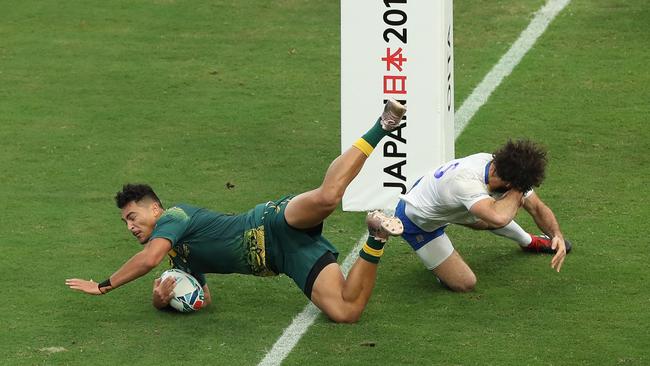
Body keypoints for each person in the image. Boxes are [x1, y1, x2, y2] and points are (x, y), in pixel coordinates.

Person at [66, 99, 406, 323]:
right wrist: (162, 299)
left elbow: (148, 260)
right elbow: (202, 297)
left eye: (132, 217)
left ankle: (383, 124)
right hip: (285, 258)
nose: (129, 226)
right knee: (346, 311)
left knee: (327, 198)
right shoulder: (178, 258)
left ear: (155, 209)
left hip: (271, 222)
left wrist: (105, 286)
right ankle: (376, 235)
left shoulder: (175, 218)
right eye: (125, 221)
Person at [394, 139, 572, 292]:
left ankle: (530, 242)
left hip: (442, 199)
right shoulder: (467, 182)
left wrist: (557, 235)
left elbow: (538, 208)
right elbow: (499, 217)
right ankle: (442, 272)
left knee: (484, 219)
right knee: (465, 283)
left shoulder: (502, 166)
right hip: (417, 220)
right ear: (508, 182)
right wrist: (518, 193)